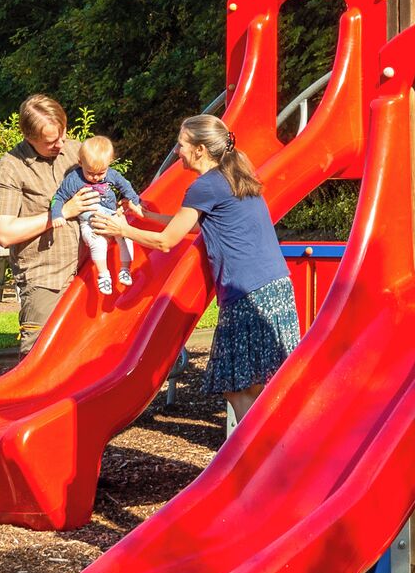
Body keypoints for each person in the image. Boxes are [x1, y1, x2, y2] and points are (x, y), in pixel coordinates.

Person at [88, 113, 296, 420]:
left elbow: (167, 242)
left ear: (199, 149)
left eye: (181, 143)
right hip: (273, 285)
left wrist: (122, 230)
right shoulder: (231, 176)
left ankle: (253, 452)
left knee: (238, 386)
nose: (176, 150)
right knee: (252, 384)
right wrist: (143, 215)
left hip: (248, 292)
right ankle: (267, 448)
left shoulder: (205, 185)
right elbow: (196, 224)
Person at [0, 94, 85, 346]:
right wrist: (61, 213)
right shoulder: (11, 167)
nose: (61, 144)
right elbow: (5, 233)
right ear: (29, 137)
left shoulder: (76, 151)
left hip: (89, 273)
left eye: (64, 134)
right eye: (51, 141)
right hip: (45, 281)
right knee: (41, 356)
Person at [58, 136, 141, 298]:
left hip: (110, 217)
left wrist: (135, 202)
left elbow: (126, 186)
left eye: (101, 173)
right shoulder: (74, 179)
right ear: (80, 162)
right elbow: (60, 196)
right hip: (90, 223)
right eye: (91, 173)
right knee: (98, 242)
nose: (96, 177)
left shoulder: (111, 174)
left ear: (109, 164)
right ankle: (104, 275)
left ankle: (125, 269)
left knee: (126, 235)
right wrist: (57, 214)